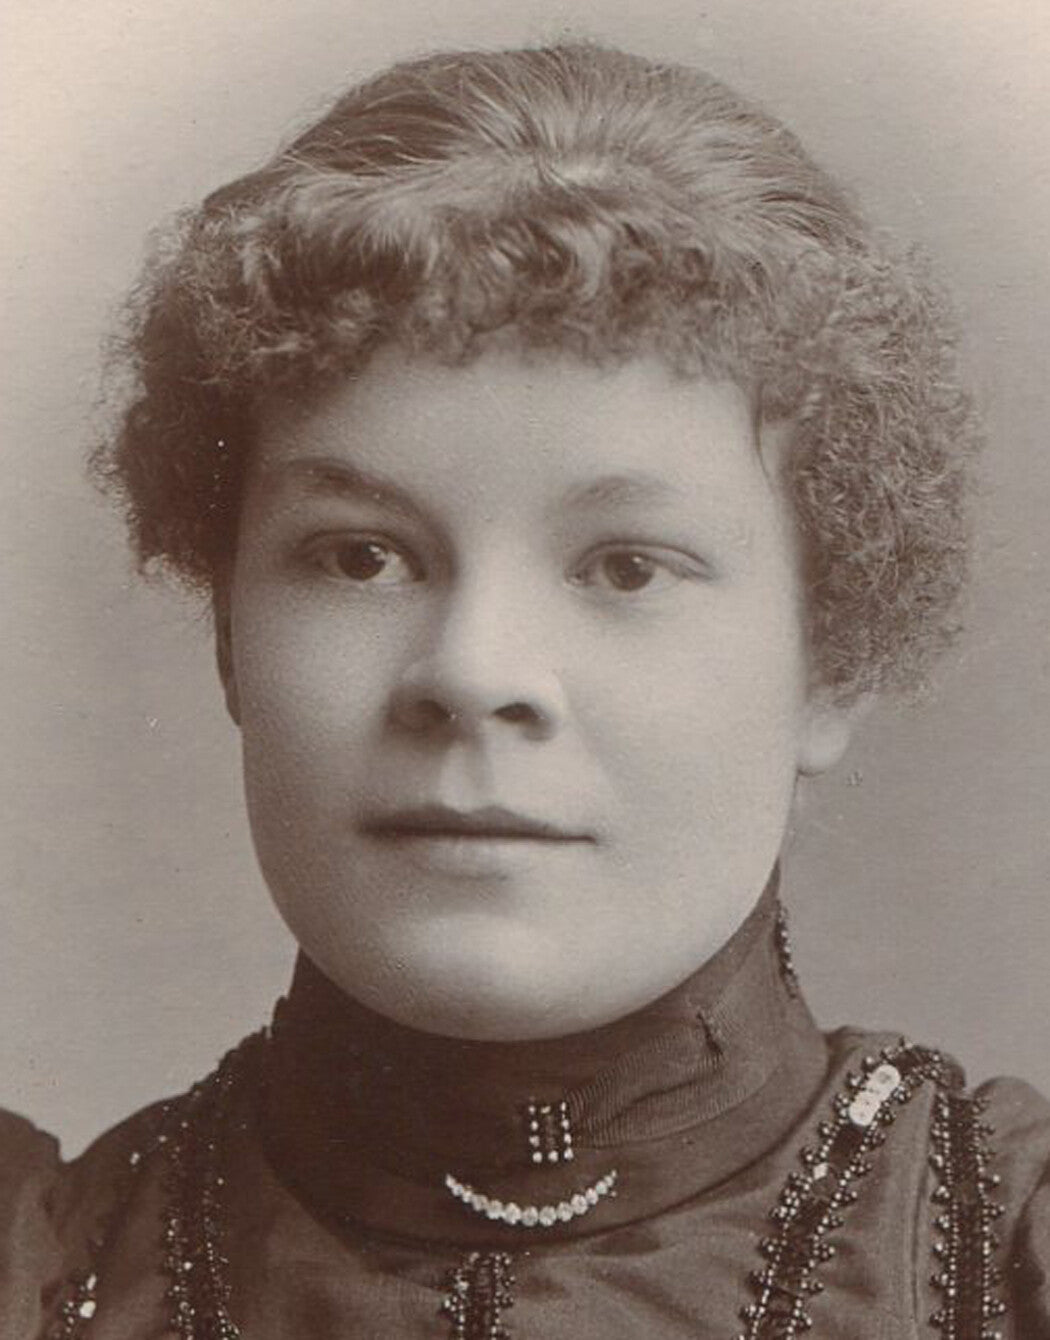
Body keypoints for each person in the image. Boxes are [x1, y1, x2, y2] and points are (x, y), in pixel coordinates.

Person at [1, 40, 1047, 1339]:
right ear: (230, 636)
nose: (473, 672)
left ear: (825, 665)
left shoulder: (1001, 1261)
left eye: (624, 567)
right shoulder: (47, 1277)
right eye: (360, 556)